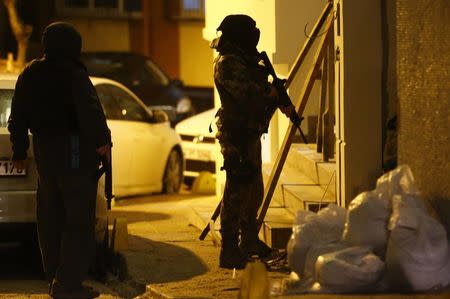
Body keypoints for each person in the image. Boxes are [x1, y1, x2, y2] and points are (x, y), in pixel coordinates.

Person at [8, 22, 111, 299]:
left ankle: (55, 277)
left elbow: (16, 117)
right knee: (77, 221)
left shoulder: (29, 73)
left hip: (44, 153)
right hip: (75, 153)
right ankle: (68, 284)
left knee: (50, 218)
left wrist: (19, 152)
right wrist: (103, 142)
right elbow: (91, 112)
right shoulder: (74, 74)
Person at [211, 14, 294, 269]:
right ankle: (229, 249)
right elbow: (246, 93)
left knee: (253, 191)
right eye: (250, 32)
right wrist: (270, 92)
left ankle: (248, 241)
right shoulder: (226, 63)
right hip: (236, 137)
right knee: (236, 191)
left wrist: (277, 95)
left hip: (249, 134)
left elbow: (257, 89)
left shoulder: (245, 61)